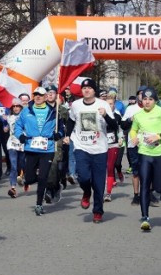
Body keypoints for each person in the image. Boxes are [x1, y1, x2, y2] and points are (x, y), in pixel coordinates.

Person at [64, 78, 116, 223]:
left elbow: (113, 126)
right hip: (81, 146)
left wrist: (105, 115)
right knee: (84, 176)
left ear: (94, 91)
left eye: (89, 88)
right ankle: (86, 192)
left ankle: (98, 211)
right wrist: (68, 135)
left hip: (99, 148)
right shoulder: (76, 105)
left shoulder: (103, 104)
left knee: (99, 183)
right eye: (84, 88)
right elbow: (71, 120)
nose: (86, 90)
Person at [129, 87, 161, 231]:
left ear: (155, 100)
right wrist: (133, 137)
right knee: (145, 184)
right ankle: (145, 218)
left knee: (157, 186)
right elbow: (133, 129)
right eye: (144, 99)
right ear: (141, 100)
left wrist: (159, 136)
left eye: (150, 99)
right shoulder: (138, 115)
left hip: (160, 153)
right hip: (144, 153)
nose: (147, 102)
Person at [15, 86, 64, 216]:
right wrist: (20, 136)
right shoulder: (26, 111)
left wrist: (58, 134)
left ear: (45, 97)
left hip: (47, 148)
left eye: (40, 95)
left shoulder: (53, 111)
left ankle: (38, 204)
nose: (37, 97)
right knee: (30, 178)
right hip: (31, 147)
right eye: (35, 94)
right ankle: (44, 182)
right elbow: (18, 126)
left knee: (43, 177)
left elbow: (62, 128)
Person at [104, 97, 123, 202]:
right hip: (101, 145)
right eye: (107, 104)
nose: (109, 106)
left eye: (111, 104)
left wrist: (121, 138)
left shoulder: (116, 116)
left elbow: (119, 129)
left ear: (114, 105)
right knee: (102, 168)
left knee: (110, 167)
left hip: (113, 144)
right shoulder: (100, 115)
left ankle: (108, 193)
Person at [6, 98, 25, 198]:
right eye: (14, 106)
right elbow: (5, 125)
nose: (16, 108)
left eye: (18, 106)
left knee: (22, 164)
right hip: (12, 143)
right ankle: (13, 188)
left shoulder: (26, 116)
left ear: (21, 107)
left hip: (22, 143)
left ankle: (21, 177)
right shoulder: (9, 117)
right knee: (13, 166)